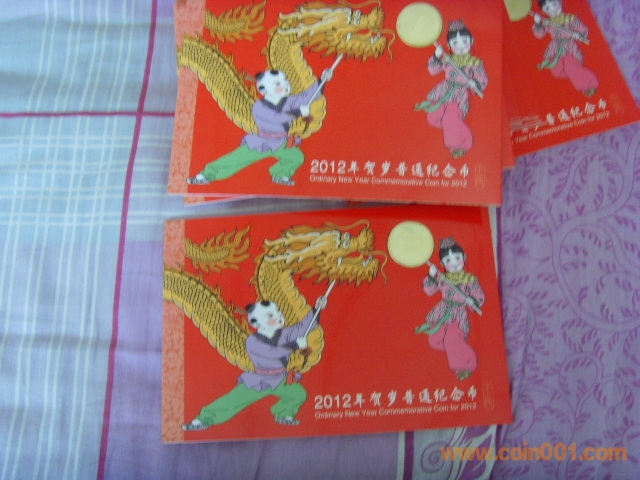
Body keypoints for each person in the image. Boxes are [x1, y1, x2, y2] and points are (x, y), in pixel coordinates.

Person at [182, 296, 327, 430]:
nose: (278, 316)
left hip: (281, 379)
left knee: (298, 394)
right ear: (255, 323)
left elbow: (303, 327)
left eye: (278, 312)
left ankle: (283, 414)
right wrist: (295, 345)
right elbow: (272, 353)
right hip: (260, 381)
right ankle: (203, 419)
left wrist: (317, 309)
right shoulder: (253, 341)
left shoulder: (284, 333)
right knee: (233, 400)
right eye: (270, 316)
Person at [187, 68, 333, 187]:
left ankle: (280, 174)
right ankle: (206, 175)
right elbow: (276, 118)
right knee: (235, 159)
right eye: (278, 84)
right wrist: (298, 112)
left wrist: (322, 80)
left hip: (281, 142)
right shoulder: (259, 106)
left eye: (285, 81)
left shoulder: (289, 101)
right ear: (263, 90)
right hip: (261, 142)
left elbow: (307, 97)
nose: (284, 85)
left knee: (296, 157)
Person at [415, 20, 487, 159]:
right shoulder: (448, 59)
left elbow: (482, 78)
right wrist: (437, 55)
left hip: (459, 96)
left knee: (450, 118)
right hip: (443, 91)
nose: (460, 46)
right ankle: (453, 127)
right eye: (455, 43)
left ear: (471, 41)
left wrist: (475, 83)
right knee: (433, 117)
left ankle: (460, 144)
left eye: (464, 41)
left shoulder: (475, 63)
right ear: (448, 45)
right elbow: (433, 70)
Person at [415, 237, 485, 380]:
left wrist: (472, 301)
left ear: (464, 257)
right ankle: (455, 349)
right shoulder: (442, 277)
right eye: (448, 260)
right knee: (435, 340)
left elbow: (479, 295)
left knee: (451, 340)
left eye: (457, 258)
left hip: (458, 315)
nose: (453, 263)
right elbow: (429, 291)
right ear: (442, 263)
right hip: (442, 312)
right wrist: (431, 275)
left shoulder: (470, 279)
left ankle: (465, 366)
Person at [533, 0, 598, 97]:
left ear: (560, 2)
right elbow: (539, 35)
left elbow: (583, 30)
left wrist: (578, 35)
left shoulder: (570, 18)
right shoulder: (547, 22)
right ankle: (580, 77)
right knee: (557, 71)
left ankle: (589, 84)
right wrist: (538, 23)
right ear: (544, 12)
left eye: (554, 4)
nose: (553, 9)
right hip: (555, 49)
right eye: (547, 8)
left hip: (569, 48)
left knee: (570, 67)